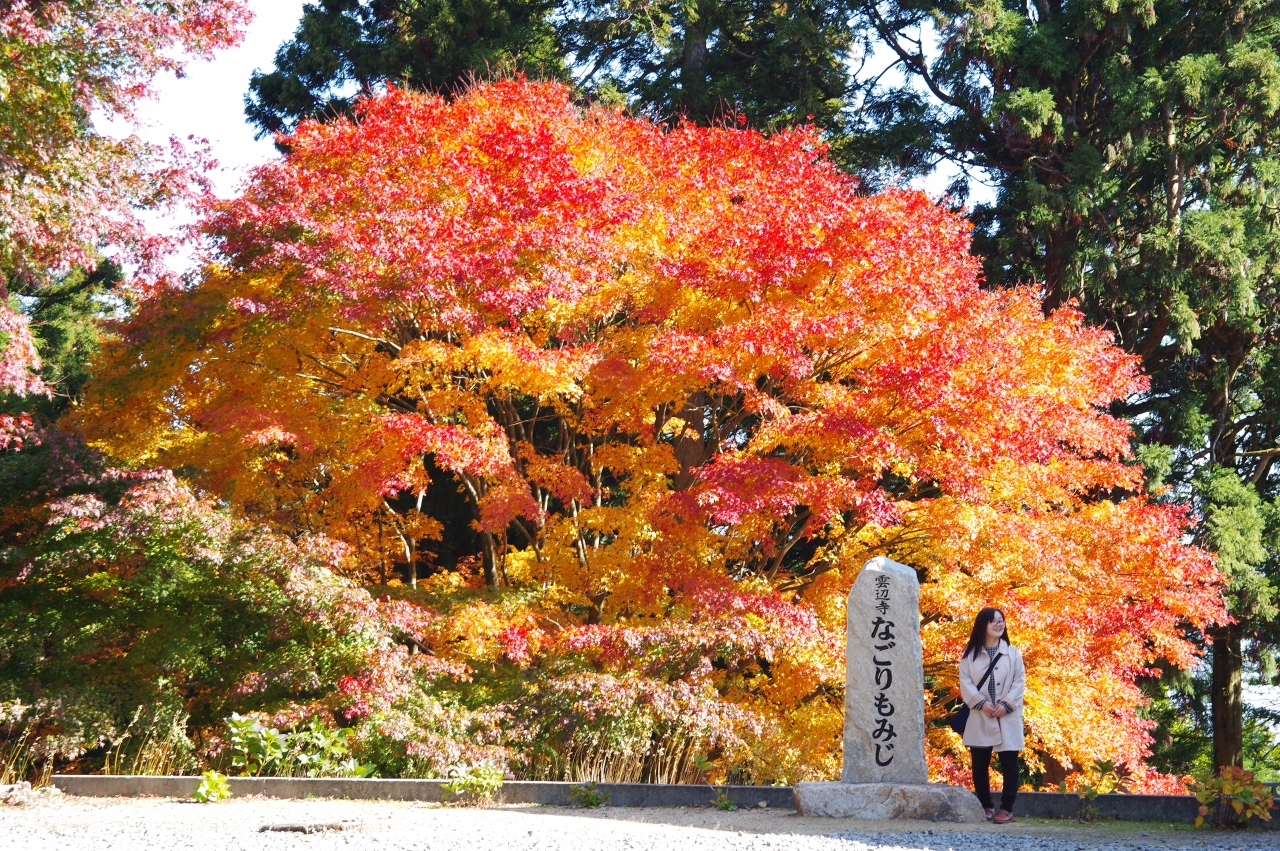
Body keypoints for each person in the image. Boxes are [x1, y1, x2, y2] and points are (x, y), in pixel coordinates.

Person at [958, 607, 1025, 824]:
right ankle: (985, 805)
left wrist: (1006, 704)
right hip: (981, 714)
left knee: (1009, 762)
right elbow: (965, 683)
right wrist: (982, 703)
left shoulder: (1013, 653)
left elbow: (1019, 682)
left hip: (1007, 715)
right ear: (983, 625)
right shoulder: (970, 654)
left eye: (1001, 620)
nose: (999, 624)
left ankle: (1006, 809)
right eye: (993, 621)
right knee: (979, 762)